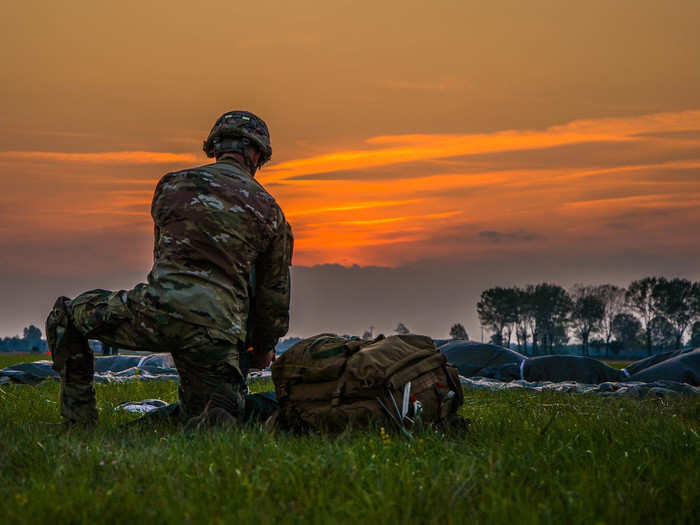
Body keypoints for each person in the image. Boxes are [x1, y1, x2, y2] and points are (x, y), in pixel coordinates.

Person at [46, 110, 293, 428]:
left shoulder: (172, 185)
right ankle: (211, 414)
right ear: (258, 154)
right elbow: (273, 297)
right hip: (216, 334)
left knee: (67, 316)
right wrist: (262, 348)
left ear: (215, 148)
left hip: (157, 311)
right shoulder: (271, 212)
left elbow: (163, 257)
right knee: (217, 416)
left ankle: (78, 423)